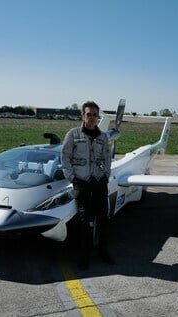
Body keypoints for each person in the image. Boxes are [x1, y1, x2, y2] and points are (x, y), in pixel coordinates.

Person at [61, 101, 114, 269]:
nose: (92, 118)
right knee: (84, 221)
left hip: (99, 182)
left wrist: (106, 174)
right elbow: (65, 157)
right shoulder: (73, 134)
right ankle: (84, 256)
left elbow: (107, 156)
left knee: (103, 218)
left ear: (98, 117)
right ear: (83, 116)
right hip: (81, 183)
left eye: (95, 115)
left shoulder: (103, 137)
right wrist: (72, 178)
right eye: (88, 114)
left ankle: (103, 252)